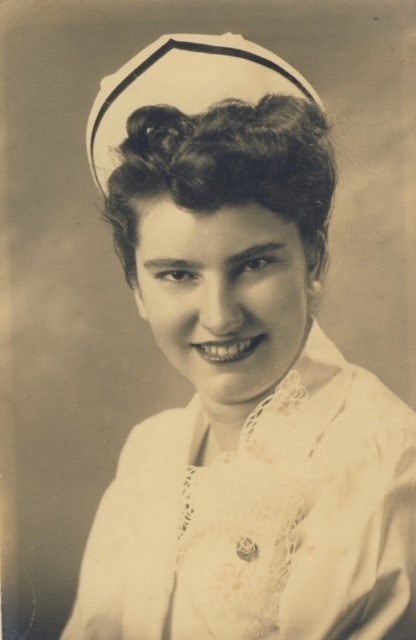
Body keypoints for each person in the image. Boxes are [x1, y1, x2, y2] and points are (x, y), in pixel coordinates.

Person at [61, 34, 416, 639]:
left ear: (313, 260)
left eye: (254, 264)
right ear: (137, 288)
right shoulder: (150, 454)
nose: (221, 317)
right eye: (178, 274)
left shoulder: (382, 463)